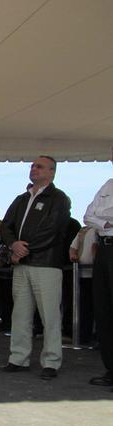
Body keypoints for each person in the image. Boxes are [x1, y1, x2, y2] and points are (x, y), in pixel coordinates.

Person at [0, 156, 71, 380]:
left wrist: (23, 249)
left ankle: (51, 362)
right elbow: (6, 225)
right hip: (22, 265)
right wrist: (13, 244)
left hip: (46, 265)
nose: (34, 169)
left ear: (52, 172)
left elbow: (53, 230)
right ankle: (18, 358)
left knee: (49, 316)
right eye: (32, 166)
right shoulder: (21, 199)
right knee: (20, 314)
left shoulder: (59, 198)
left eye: (39, 166)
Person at [84, 148, 113, 388]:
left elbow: (96, 216)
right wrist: (106, 222)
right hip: (104, 249)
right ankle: (110, 369)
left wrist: (101, 219)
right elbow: (88, 216)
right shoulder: (107, 185)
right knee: (104, 311)